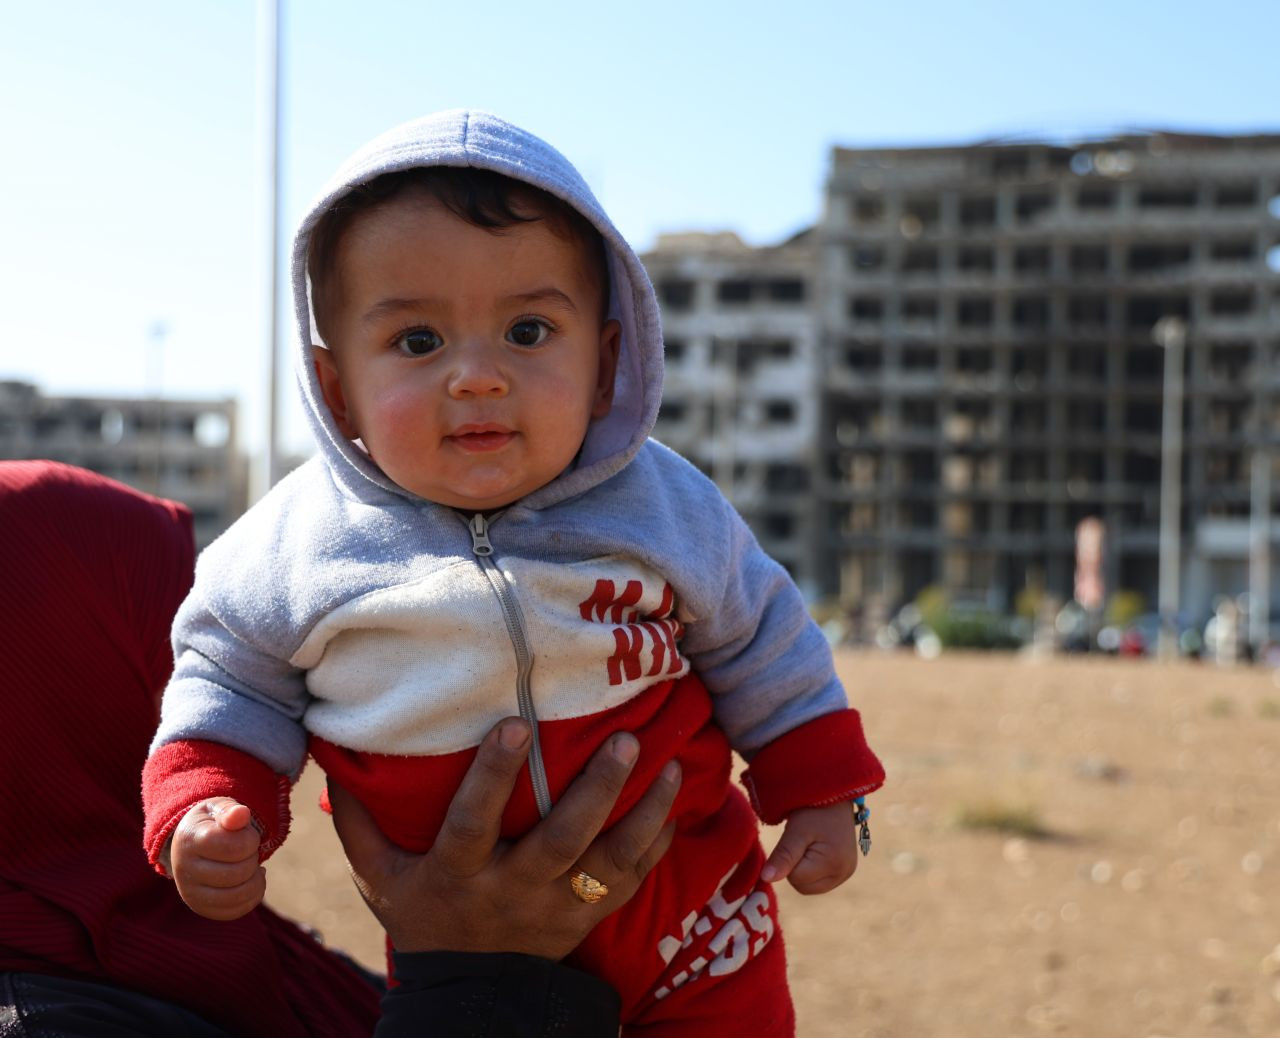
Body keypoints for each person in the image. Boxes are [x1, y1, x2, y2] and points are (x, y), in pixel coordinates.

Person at [143, 110, 886, 1034]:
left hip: (690, 904)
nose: (479, 377)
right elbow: (224, 671)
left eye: (529, 330)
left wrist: (818, 784)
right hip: (456, 933)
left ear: (608, 364)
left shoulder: (664, 503)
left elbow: (762, 631)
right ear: (338, 392)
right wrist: (209, 802)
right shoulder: (296, 546)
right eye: (419, 342)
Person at [0, 460, 682, 1037]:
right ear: (70, 684)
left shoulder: (201, 953)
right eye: (178, 640)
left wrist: (557, 924)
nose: (222, 679)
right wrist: (485, 968)